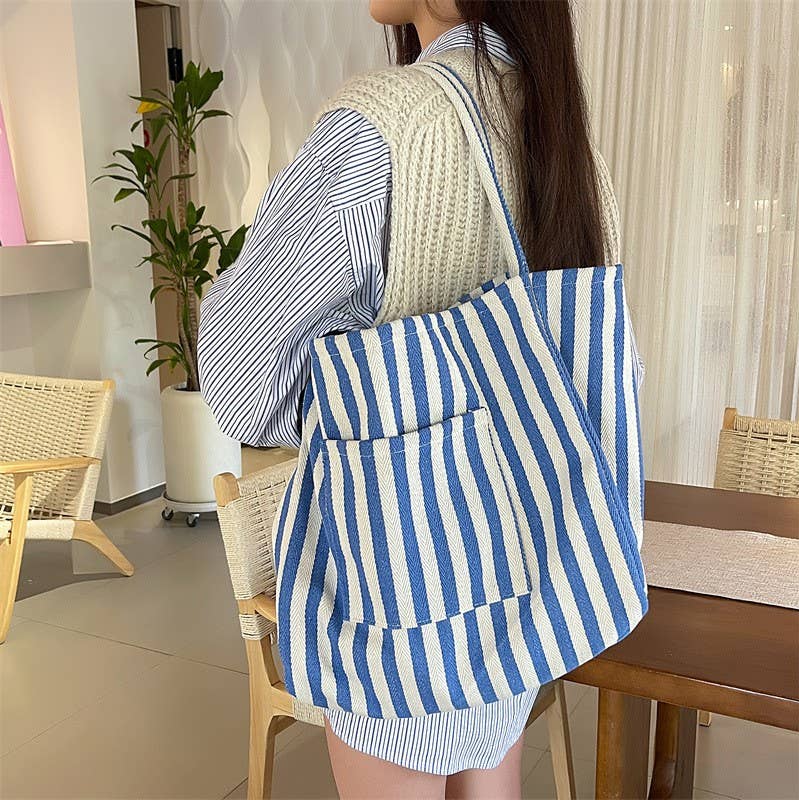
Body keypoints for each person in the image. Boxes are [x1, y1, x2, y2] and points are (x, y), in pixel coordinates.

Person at [198, 1, 625, 797]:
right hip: (525, 576)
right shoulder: (563, 140)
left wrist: (350, 397)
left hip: (401, 586)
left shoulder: (380, 131)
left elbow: (239, 380)